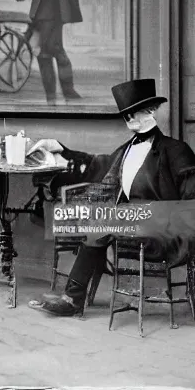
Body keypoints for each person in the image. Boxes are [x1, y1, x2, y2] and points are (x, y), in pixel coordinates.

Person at [29, 78, 195, 316]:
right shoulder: (126, 150)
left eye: (134, 113)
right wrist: (61, 149)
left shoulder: (176, 150)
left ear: (151, 111)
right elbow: (99, 165)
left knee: (103, 222)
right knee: (86, 218)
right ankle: (73, 298)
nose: (129, 120)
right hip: (131, 224)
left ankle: (72, 299)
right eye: (125, 116)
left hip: (166, 229)